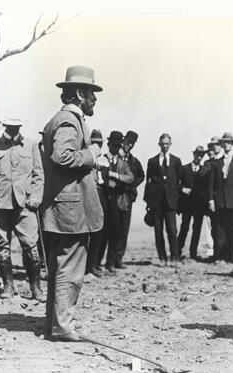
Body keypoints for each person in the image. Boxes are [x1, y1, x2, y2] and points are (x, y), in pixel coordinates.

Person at [41, 65, 105, 341]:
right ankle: (62, 325)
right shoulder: (69, 121)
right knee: (70, 266)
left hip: (60, 206)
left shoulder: (61, 119)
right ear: (80, 93)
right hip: (71, 208)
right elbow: (63, 156)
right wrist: (91, 155)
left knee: (60, 266)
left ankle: (55, 323)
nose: (95, 100)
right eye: (92, 94)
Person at [0, 118, 46, 302]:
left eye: (16, 125)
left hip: (25, 205)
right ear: (5, 126)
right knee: (3, 247)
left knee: (31, 246)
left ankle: (36, 288)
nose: (13, 128)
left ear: (20, 126)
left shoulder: (31, 146)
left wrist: (35, 198)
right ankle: (8, 287)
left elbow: (38, 175)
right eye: (10, 125)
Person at [208, 132, 233, 263]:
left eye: (229, 142)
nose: (227, 145)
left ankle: (231, 256)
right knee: (219, 229)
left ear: (232, 144)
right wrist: (211, 200)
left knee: (232, 229)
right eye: (224, 142)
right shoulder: (215, 163)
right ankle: (219, 256)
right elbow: (211, 183)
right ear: (221, 144)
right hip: (219, 200)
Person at [143, 133, 182, 268]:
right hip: (156, 202)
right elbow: (148, 183)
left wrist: (178, 202)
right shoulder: (152, 161)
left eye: (167, 144)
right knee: (158, 231)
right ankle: (162, 258)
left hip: (171, 202)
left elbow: (179, 182)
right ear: (159, 144)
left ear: (170, 144)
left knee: (172, 230)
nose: (165, 146)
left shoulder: (176, 161)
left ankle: (175, 257)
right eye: (163, 144)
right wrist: (148, 203)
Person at [102, 131, 134, 273]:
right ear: (108, 145)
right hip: (103, 200)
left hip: (116, 202)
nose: (115, 148)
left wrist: (115, 176)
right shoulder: (102, 160)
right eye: (113, 145)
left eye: (117, 145)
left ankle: (110, 262)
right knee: (101, 234)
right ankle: (95, 263)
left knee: (115, 232)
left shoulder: (122, 163)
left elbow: (130, 178)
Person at [117, 130, 145, 265]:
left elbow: (141, 175)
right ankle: (108, 260)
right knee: (113, 228)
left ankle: (118, 259)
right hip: (114, 196)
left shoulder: (134, 161)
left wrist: (133, 185)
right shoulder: (115, 157)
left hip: (127, 198)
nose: (130, 145)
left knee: (124, 228)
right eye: (128, 142)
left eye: (132, 144)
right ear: (123, 141)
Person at [177, 145, 210, 260]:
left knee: (197, 229)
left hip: (199, 205)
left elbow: (207, 188)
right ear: (193, 155)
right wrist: (183, 189)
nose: (199, 157)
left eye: (201, 155)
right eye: (197, 155)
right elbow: (176, 183)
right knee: (184, 227)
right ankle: (177, 251)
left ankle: (193, 253)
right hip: (186, 204)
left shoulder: (205, 171)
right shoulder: (184, 169)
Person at [85, 129, 108, 277]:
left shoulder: (104, 160)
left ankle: (93, 265)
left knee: (99, 232)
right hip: (88, 196)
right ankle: (86, 267)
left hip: (101, 196)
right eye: (94, 143)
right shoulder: (87, 157)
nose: (96, 145)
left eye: (99, 143)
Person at [204, 136, 223, 260]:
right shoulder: (209, 162)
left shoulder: (223, 160)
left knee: (222, 227)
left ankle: (222, 253)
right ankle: (215, 253)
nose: (214, 147)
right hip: (213, 199)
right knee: (213, 227)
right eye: (212, 146)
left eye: (216, 145)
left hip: (223, 199)